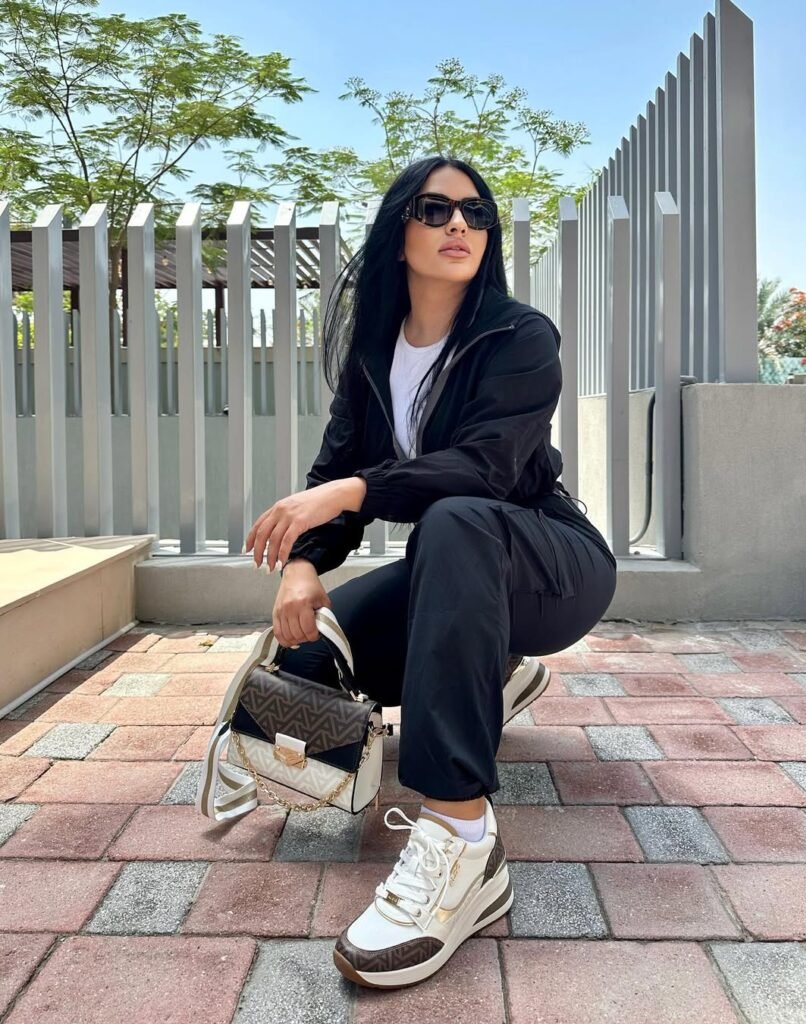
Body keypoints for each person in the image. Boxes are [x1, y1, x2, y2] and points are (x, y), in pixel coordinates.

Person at [243, 155, 617, 989]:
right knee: (313, 653)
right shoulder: (374, 354)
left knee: (451, 523)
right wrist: (301, 568)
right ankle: (492, 671)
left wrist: (355, 489)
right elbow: (333, 472)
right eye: (435, 208)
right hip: (460, 565)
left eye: (476, 214)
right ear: (397, 230)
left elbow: (485, 469)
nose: (459, 226)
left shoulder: (518, 335)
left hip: (550, 565)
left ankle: (461, 842)